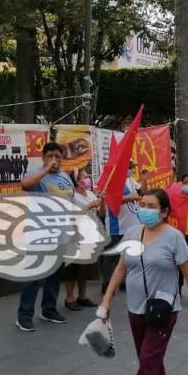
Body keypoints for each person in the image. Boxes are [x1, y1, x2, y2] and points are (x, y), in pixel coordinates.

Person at [100, 189, 188, 375]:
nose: (145, 209)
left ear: (164, 212)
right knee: (148, 359)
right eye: (142, 204)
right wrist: (106, 301)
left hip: (163, 309)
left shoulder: (174, 238)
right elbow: (121, 268)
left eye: (151, 206)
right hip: (136, 308)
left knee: (148, 360)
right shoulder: (132, 233)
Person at [16, 142, 72, 332]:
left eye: (58, 156)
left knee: (55, 276)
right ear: (44, 157)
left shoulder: (65, 177)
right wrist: (47, 169)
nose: (55, 160)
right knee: (34, 278)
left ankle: (48, 309)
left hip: (61, 235)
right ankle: (24, 315)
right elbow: (25, 185)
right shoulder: (37, 173)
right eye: (50, 156)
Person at [100, 162, 142, 294]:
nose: (131, 170)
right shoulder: (113, 181)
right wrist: (131, 197)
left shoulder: (130, 181)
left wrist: (144, 181)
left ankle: (123, 281)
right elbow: (112, 200)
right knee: (111, 256)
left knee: (127, 255)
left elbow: (140, 194)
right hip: (117, 225)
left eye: (133, 168)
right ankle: (107, 283)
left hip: (131, 225)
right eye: (129, 168)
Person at [63, 168, 102, 311]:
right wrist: (89, 205)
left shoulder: (90, 193)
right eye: (84, 177)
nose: (87, 180)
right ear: (76, 181)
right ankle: (69, 297)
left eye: (87, 177)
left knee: (84, 269)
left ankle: (82, 296)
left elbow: (100, 213)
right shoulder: (71, 195)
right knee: (72, 269)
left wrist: (101, 202)